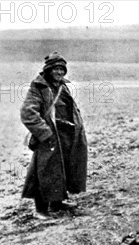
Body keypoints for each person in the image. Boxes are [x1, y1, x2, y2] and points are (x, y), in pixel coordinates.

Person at [20, 51, 88, 219]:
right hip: (49, 137)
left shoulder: (62, 86)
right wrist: (45, 133)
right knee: (42, 171)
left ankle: (58, 202)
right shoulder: (38, 87)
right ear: (48, 70)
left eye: (62, 69)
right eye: (56, 69)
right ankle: (40, 210)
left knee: (63, 168)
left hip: (65, 135)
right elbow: (28, 113)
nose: (59, 72)